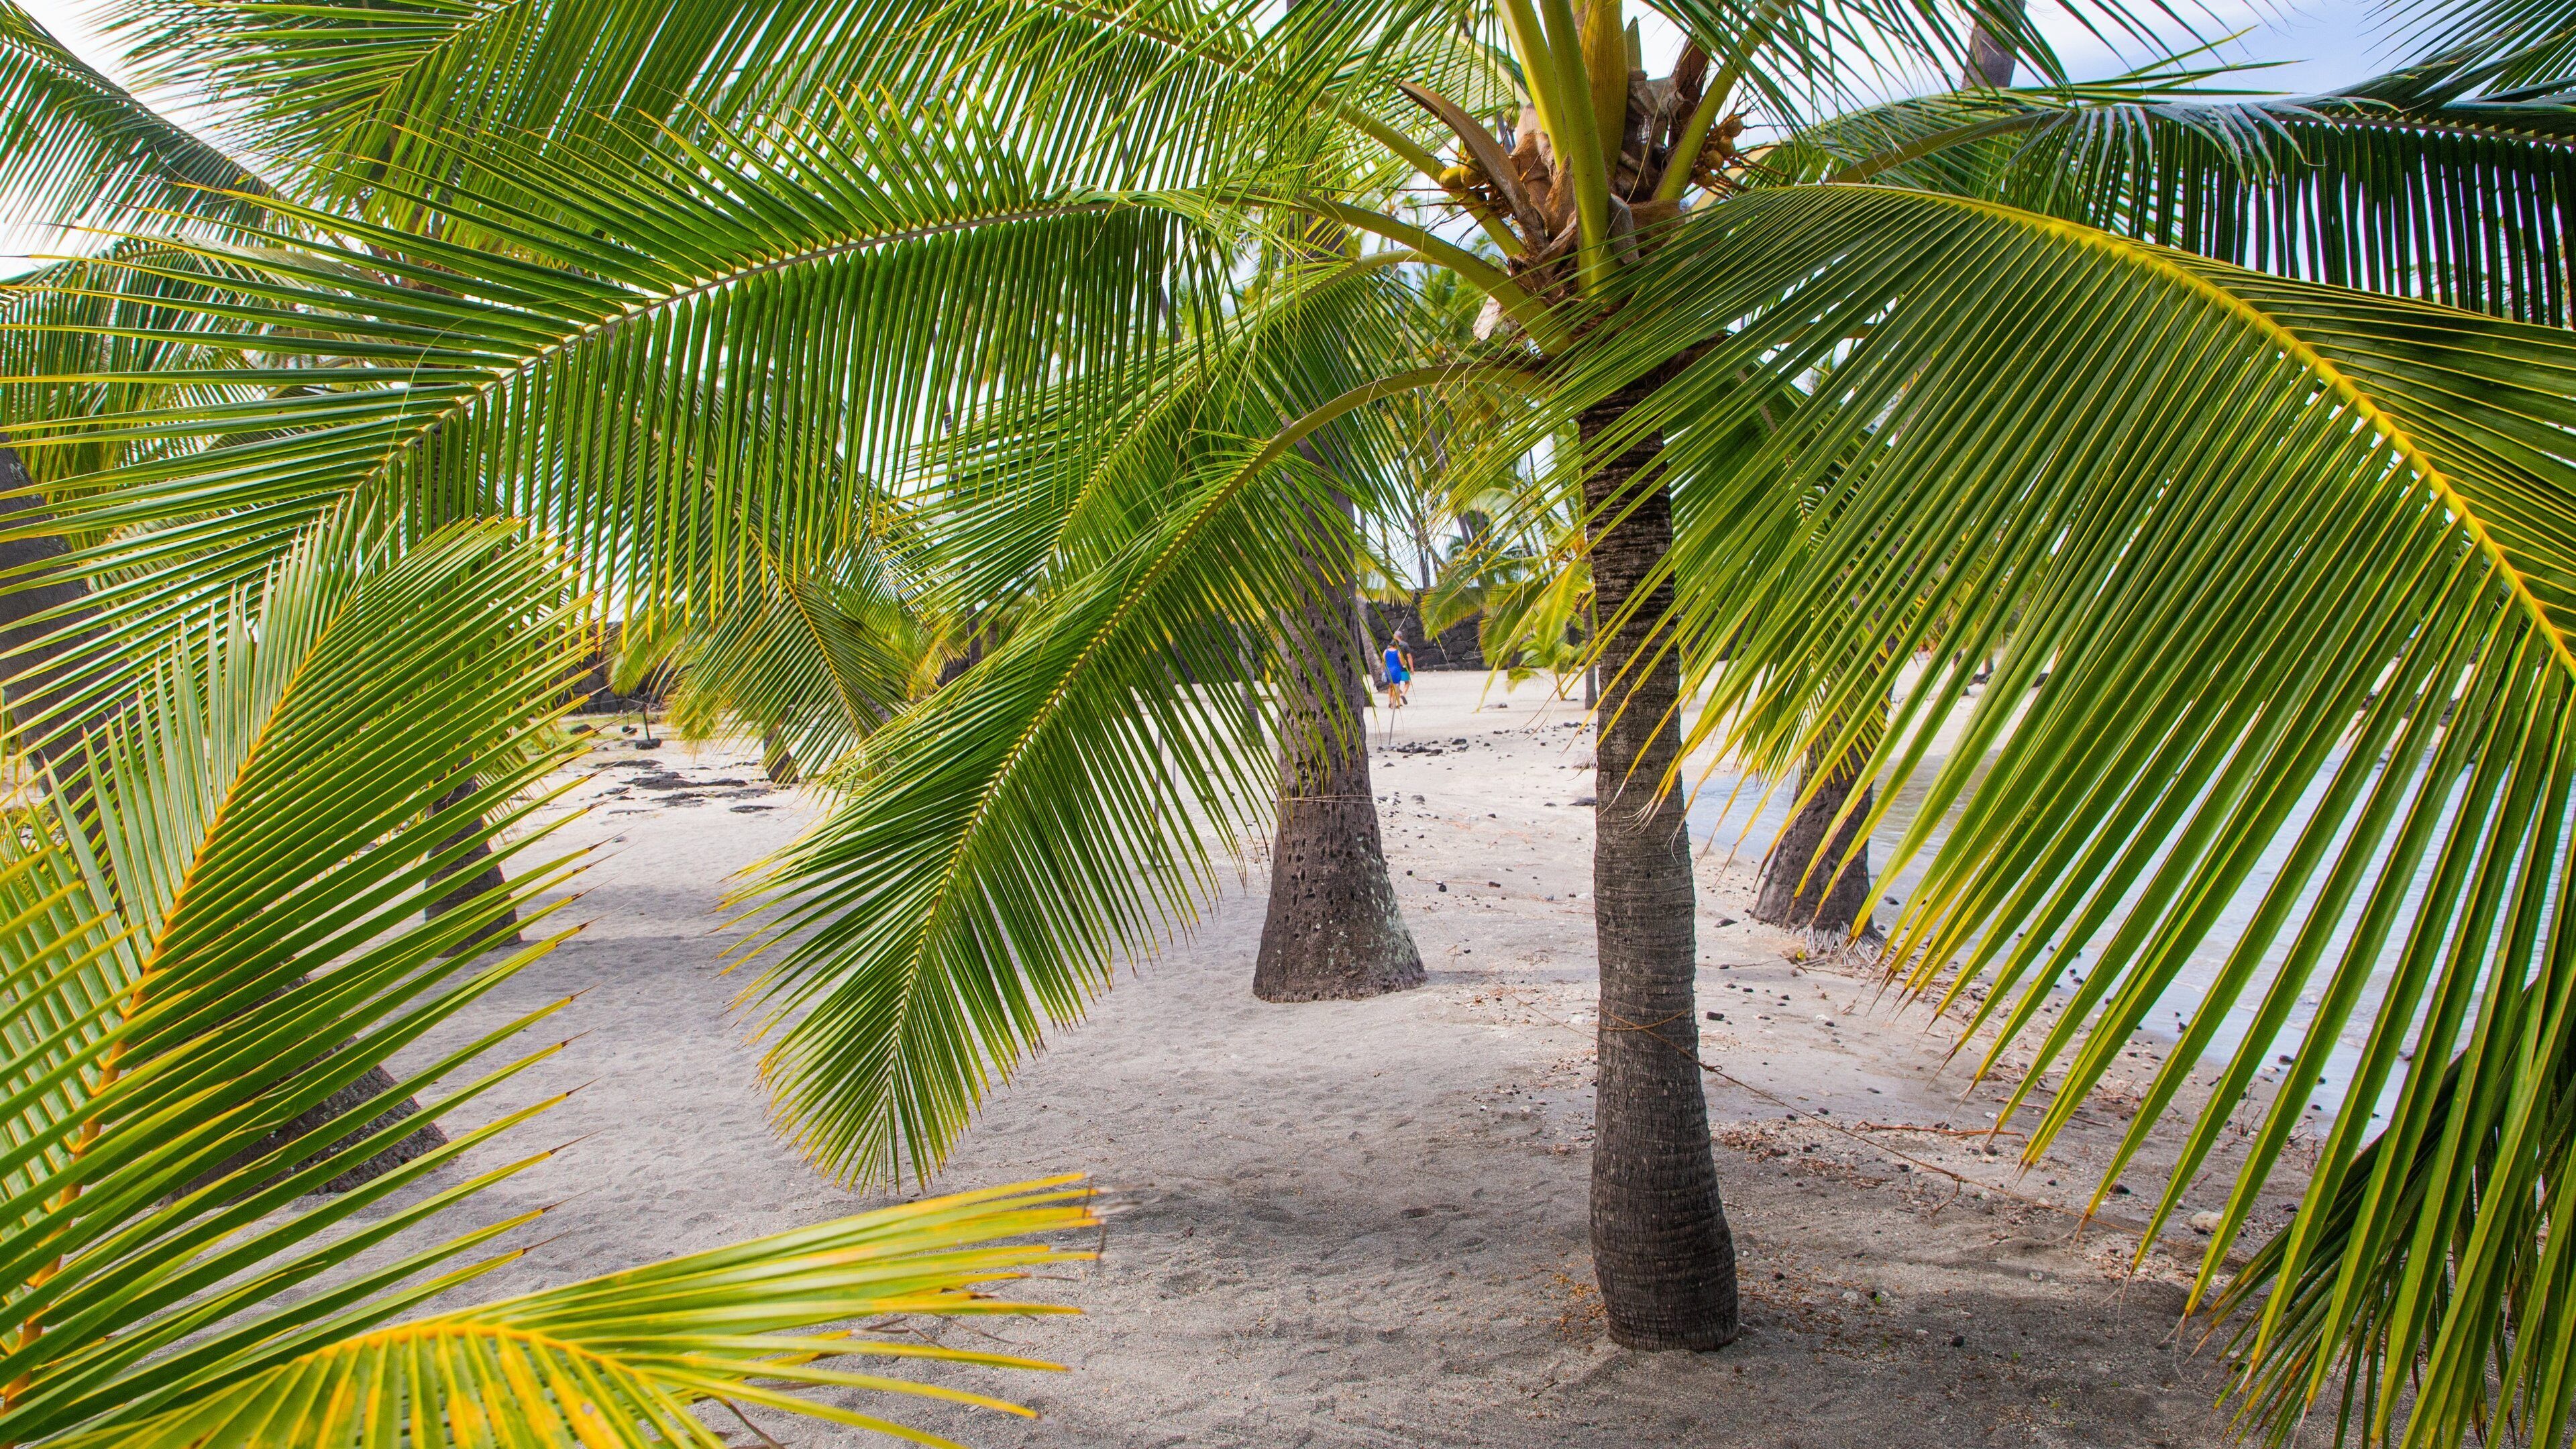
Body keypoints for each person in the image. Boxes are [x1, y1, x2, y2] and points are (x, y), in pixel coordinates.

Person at [1382, 632, 1411, 708]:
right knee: (1396, 687)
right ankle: (1394, 704)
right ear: (1396, 645)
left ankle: (1390, 702)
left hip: (1387, 671)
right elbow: (1402, 663)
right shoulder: (1398, 652)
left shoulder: (1385, 651)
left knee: (1390, 686)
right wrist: (1405, 663)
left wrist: (1383, 672)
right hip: (1396, 671)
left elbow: (1383, 662)